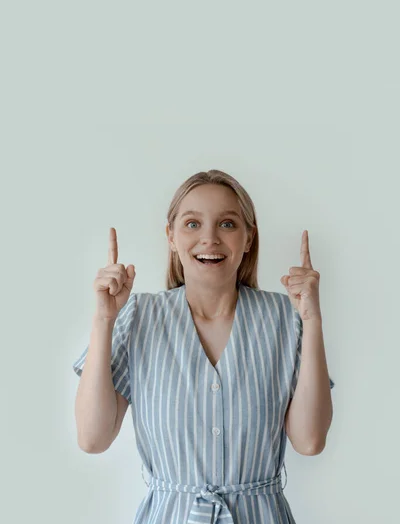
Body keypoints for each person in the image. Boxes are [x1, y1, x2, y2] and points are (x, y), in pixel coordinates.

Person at [72, 169, 335, 524]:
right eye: (192, 224)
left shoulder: (284, 319)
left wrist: (312, 319)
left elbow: (310, 440)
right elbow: (92, 438)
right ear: (171, 236)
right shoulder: (137, 317)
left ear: (248, 238)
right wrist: (104, 319)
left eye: (227, 224)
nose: (209, 238)